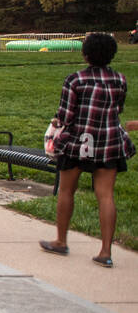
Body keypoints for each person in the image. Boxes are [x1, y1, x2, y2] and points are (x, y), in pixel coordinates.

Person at [40, 33, 135, 267]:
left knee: (66, 191)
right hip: (109, 142)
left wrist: (54, 124)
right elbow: (118, 108)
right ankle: (105, 252)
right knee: (105, 196)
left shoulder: (75, 80)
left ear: (86, 54)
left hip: (77, 142)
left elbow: (65, 115)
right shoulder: (119, 80)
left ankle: (61, 241)